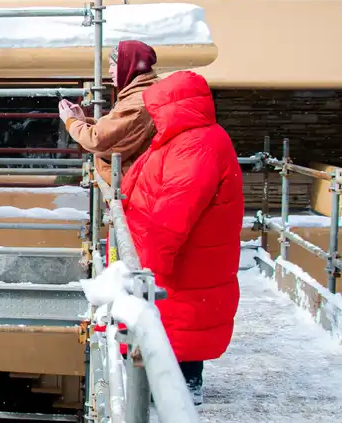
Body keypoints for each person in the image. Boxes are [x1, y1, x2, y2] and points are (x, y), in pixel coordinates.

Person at [120, 70, 244, 406]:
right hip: (186, 268)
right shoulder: (189, 139)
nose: (153, 116)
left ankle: (181, 393)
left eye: (157, 109)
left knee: (180, 335)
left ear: (173, 106)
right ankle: (181, 387)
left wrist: (148, 273)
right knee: (182, 333)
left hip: (178, 271)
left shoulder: (194, 145)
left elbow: (173, 214)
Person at [58, 40, 159, 183]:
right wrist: (83, 121)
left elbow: (98, 140)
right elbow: (117, 131)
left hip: (135, 184)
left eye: (113, 65)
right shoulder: (139, 93)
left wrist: (71, 122)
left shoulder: (137, 103)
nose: (110, 71)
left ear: (127, 66)